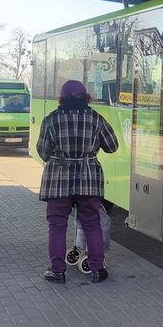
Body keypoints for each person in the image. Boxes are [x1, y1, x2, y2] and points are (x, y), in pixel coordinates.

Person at [37, 80, 118, 284]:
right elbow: (112, 146)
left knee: (57, 226)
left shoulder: (51, 120)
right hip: (88, 179)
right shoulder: (96, 119)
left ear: (62, 98)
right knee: (92, 223)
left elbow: (43, 152)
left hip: (58, 180)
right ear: (86, 97)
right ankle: (98, 270)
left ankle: (57, 272)